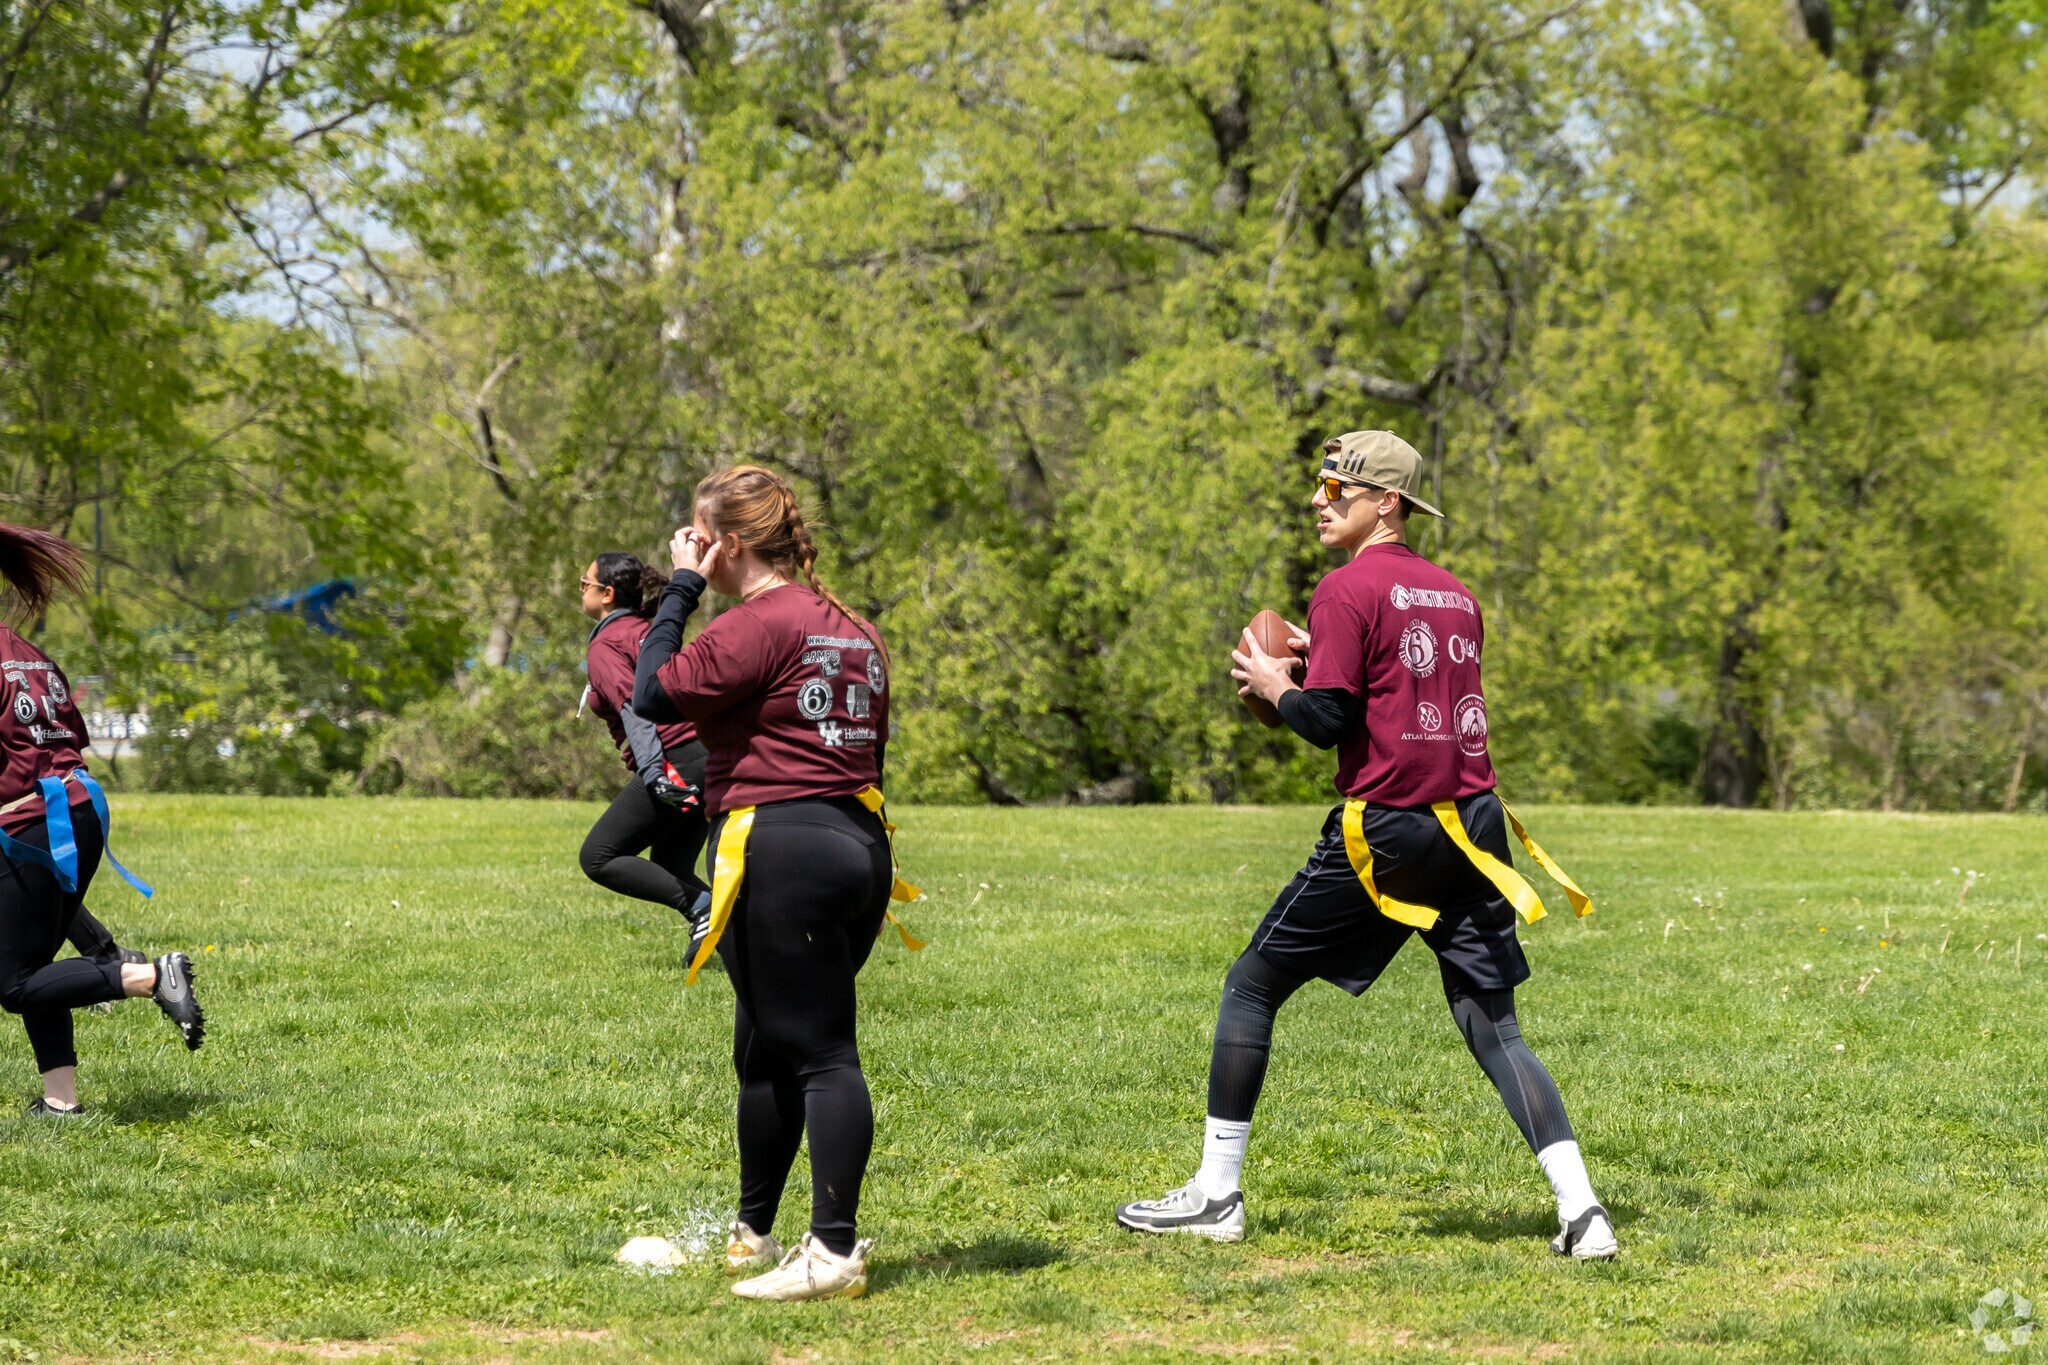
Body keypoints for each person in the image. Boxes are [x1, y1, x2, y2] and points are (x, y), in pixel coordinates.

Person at [1114, 431, 1616, 1259]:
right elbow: (1406, 687)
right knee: (1495, 1027)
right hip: (1476, 827)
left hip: (1391, 828)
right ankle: (1583, 1211)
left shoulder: (1345, 588)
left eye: (1336, 489)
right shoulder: (1456, 594)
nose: (1320, 501)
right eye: (1321, 486)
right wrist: (1328, 659)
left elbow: (1329, 722)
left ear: (1386, 502)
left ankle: (1215, 1194)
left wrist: (1279, 687)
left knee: (1252, 983)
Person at [634, 465, 916, 1302]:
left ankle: (831, 1251)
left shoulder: (761, 620)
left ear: (728, 541)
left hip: (783, 843)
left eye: (698, 531)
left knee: (821, 1051)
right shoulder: (853, 626)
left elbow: (651, 690)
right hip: (857, 841)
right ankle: (752, 1233)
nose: (691, 543)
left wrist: (681, 585)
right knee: (763, 1044)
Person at [0, 524, 205, 1116]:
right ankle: (61, 1102)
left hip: (36, 824)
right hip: (79, 811)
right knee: (32, 957)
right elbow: (62, 742)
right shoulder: (28, 654)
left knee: (14, 983)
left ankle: (144, 976)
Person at [577, 552, 712, 958]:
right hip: (708, 758)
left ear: (607, 594)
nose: (580, 589)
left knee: (599, 856)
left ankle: (708, 908)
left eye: (585, 583)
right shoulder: (651, 631)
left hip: (676, 760)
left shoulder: (605, 645)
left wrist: (656, 773)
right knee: (670, 866)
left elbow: (635, 710)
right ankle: (728, 924)